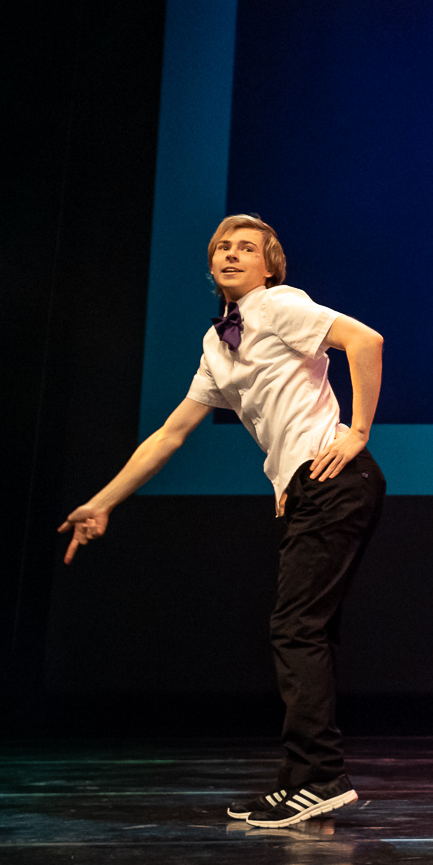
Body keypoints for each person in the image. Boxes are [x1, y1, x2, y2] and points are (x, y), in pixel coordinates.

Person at [61, 215, 386, 829]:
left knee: (295, 629)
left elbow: (365, 342)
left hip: (335, 480)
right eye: (222, 248)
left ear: (269, 267)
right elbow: (170, 434)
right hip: (309, 489)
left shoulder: (280, 305)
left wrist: (358, 433)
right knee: (307, 631)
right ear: (211, 266)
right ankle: (304, 780)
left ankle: (319, 777)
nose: (231, 255)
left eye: (247, 248)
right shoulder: (218, 346)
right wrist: (103, 501)